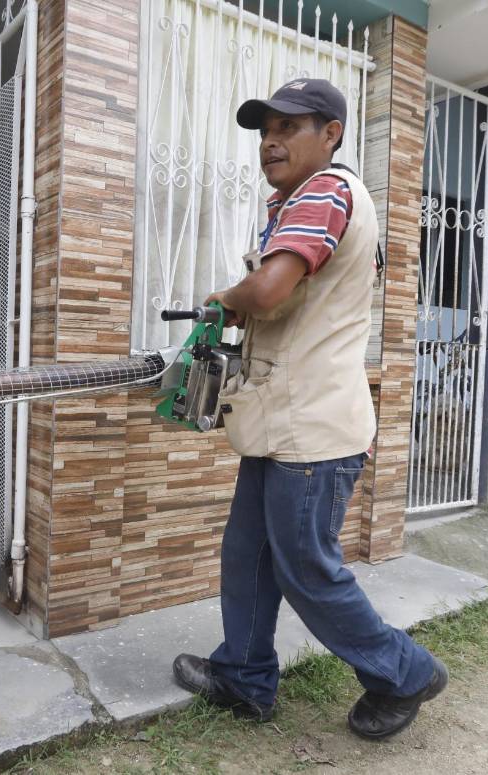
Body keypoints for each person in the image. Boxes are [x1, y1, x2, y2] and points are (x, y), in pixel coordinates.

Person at [171, 78, 447, 741]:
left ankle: (405, 671)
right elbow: (288, 302)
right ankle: (244, 676)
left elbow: (268, 291)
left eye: (289, 127)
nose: (271, 141)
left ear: (331, 134)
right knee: (248, 554)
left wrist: (226, 297)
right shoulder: (304, 203)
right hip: (282, 421)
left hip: (311, 431)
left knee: (307, 572)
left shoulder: (324, 192)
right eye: (266, 130)